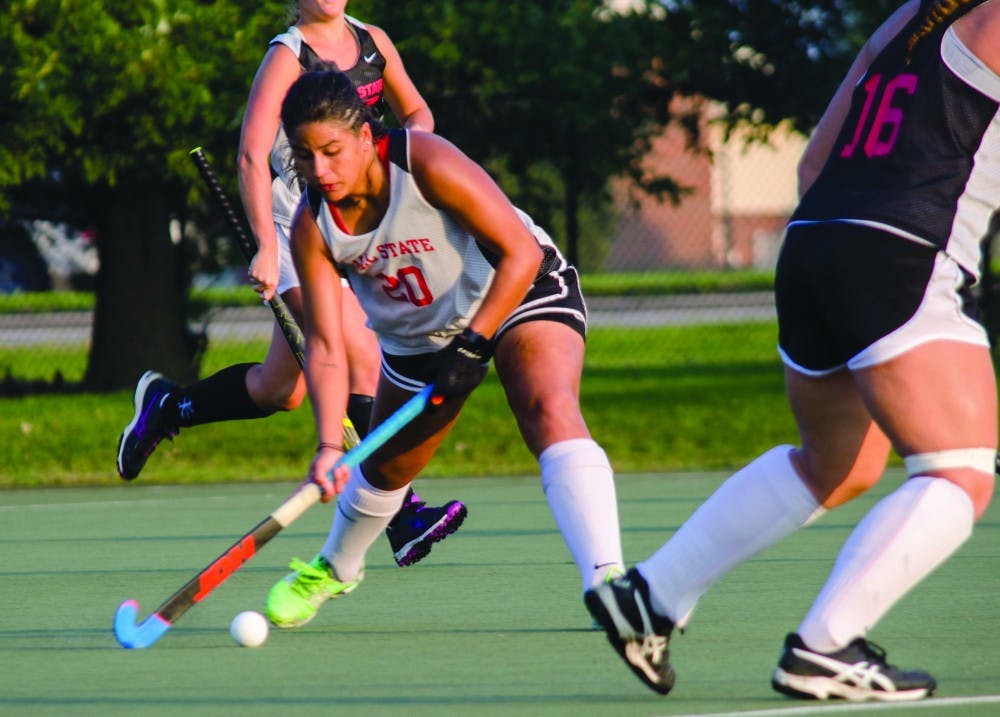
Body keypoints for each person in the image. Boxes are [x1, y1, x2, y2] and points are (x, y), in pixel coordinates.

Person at [585, 0, 999, 702]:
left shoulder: (907, 20)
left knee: (836, 462)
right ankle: (825, 646)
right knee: (958, 472)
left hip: (813, 241)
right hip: (899, 250)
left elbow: (814, 162)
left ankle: (651, 593)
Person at [260, 67, 626, 629]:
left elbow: (520, 252)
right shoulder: (313, 226)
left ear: (364, 136)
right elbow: (327, 345)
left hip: (516, 290)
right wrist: (330, 443)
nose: (320, 170)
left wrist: (475, 344)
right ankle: (335, 567)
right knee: (385, 468)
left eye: (332, 151)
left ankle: (608, 582)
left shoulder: (423, 162)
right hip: (417, 338)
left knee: (546, 407)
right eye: (305, 157)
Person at [115, 0, 466, 568]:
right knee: (357, 351)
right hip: (294, 223)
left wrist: (405, 160)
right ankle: (402, 513)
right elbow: (253, 157)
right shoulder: (287, 54)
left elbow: (417, 112)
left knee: (284, 388)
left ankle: (169, 405)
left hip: (352, 219)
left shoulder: (372, 42)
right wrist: (267, 244)